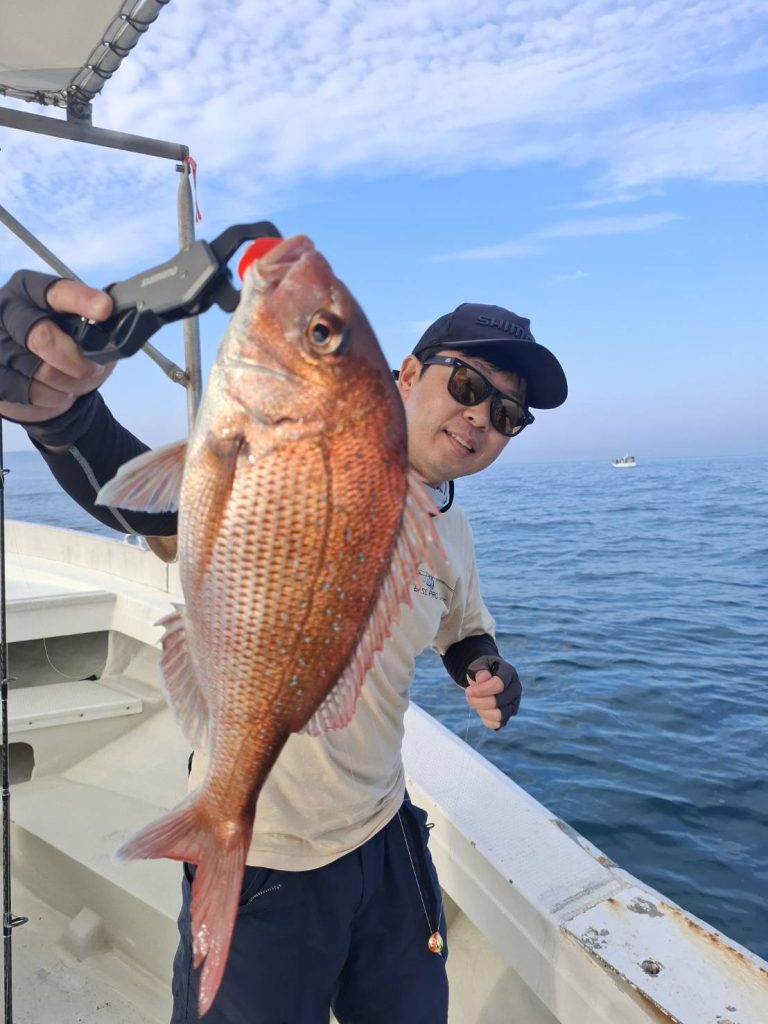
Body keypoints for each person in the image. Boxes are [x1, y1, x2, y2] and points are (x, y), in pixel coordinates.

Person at [0, 270, 567, 1024]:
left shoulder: (450, 529)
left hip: (384, 831)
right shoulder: (294, 466)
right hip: (265, 853)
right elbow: (159, 510)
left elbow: (461, 625)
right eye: (467, 385)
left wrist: (484, 666)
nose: (481, 418)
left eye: (507, 414)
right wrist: (65, 417)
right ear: (405, 374)